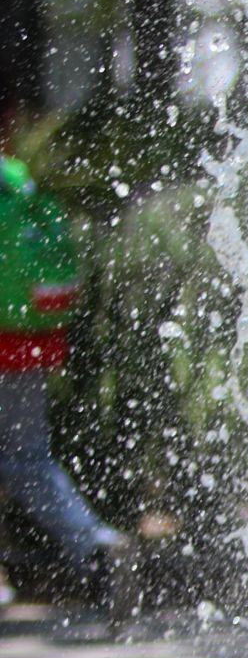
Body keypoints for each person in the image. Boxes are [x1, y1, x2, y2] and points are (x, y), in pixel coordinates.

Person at [1, 152, 127, 599]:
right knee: (28, 459)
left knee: (19, 460)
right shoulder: (16, 182)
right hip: (25, 343)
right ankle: (94, 542)